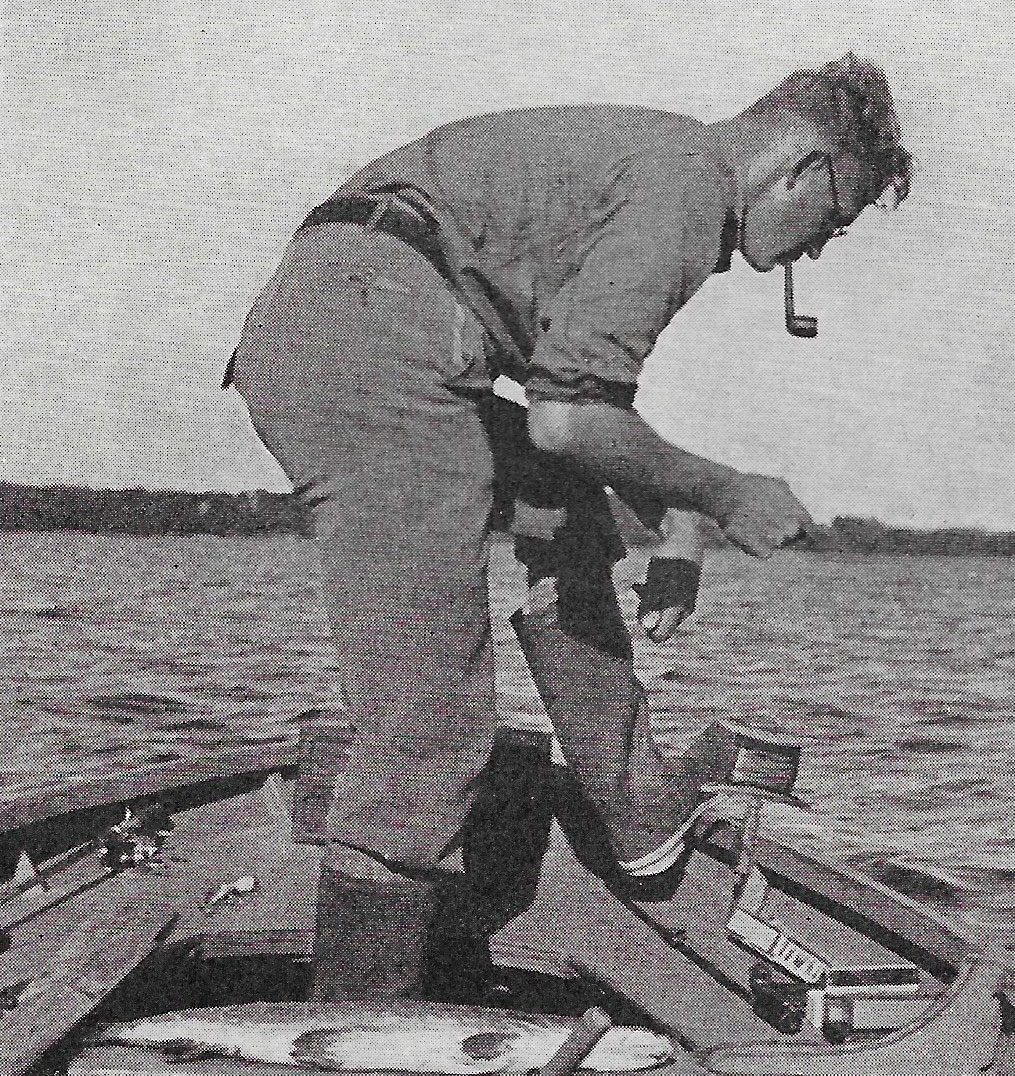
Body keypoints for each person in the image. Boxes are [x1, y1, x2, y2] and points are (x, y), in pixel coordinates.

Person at [225, 51, 912, 1002]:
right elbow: (569, 415)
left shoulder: (666, 166)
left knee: (563, 502)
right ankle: (352, 1028)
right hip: (374, 345)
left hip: (357, 319)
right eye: (831, 223)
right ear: (799, 163)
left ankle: (634, 808)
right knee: (428, 734)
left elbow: (569, 417)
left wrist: (673, 516)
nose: (815, 252)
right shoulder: (684, 188)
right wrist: (724, 492)